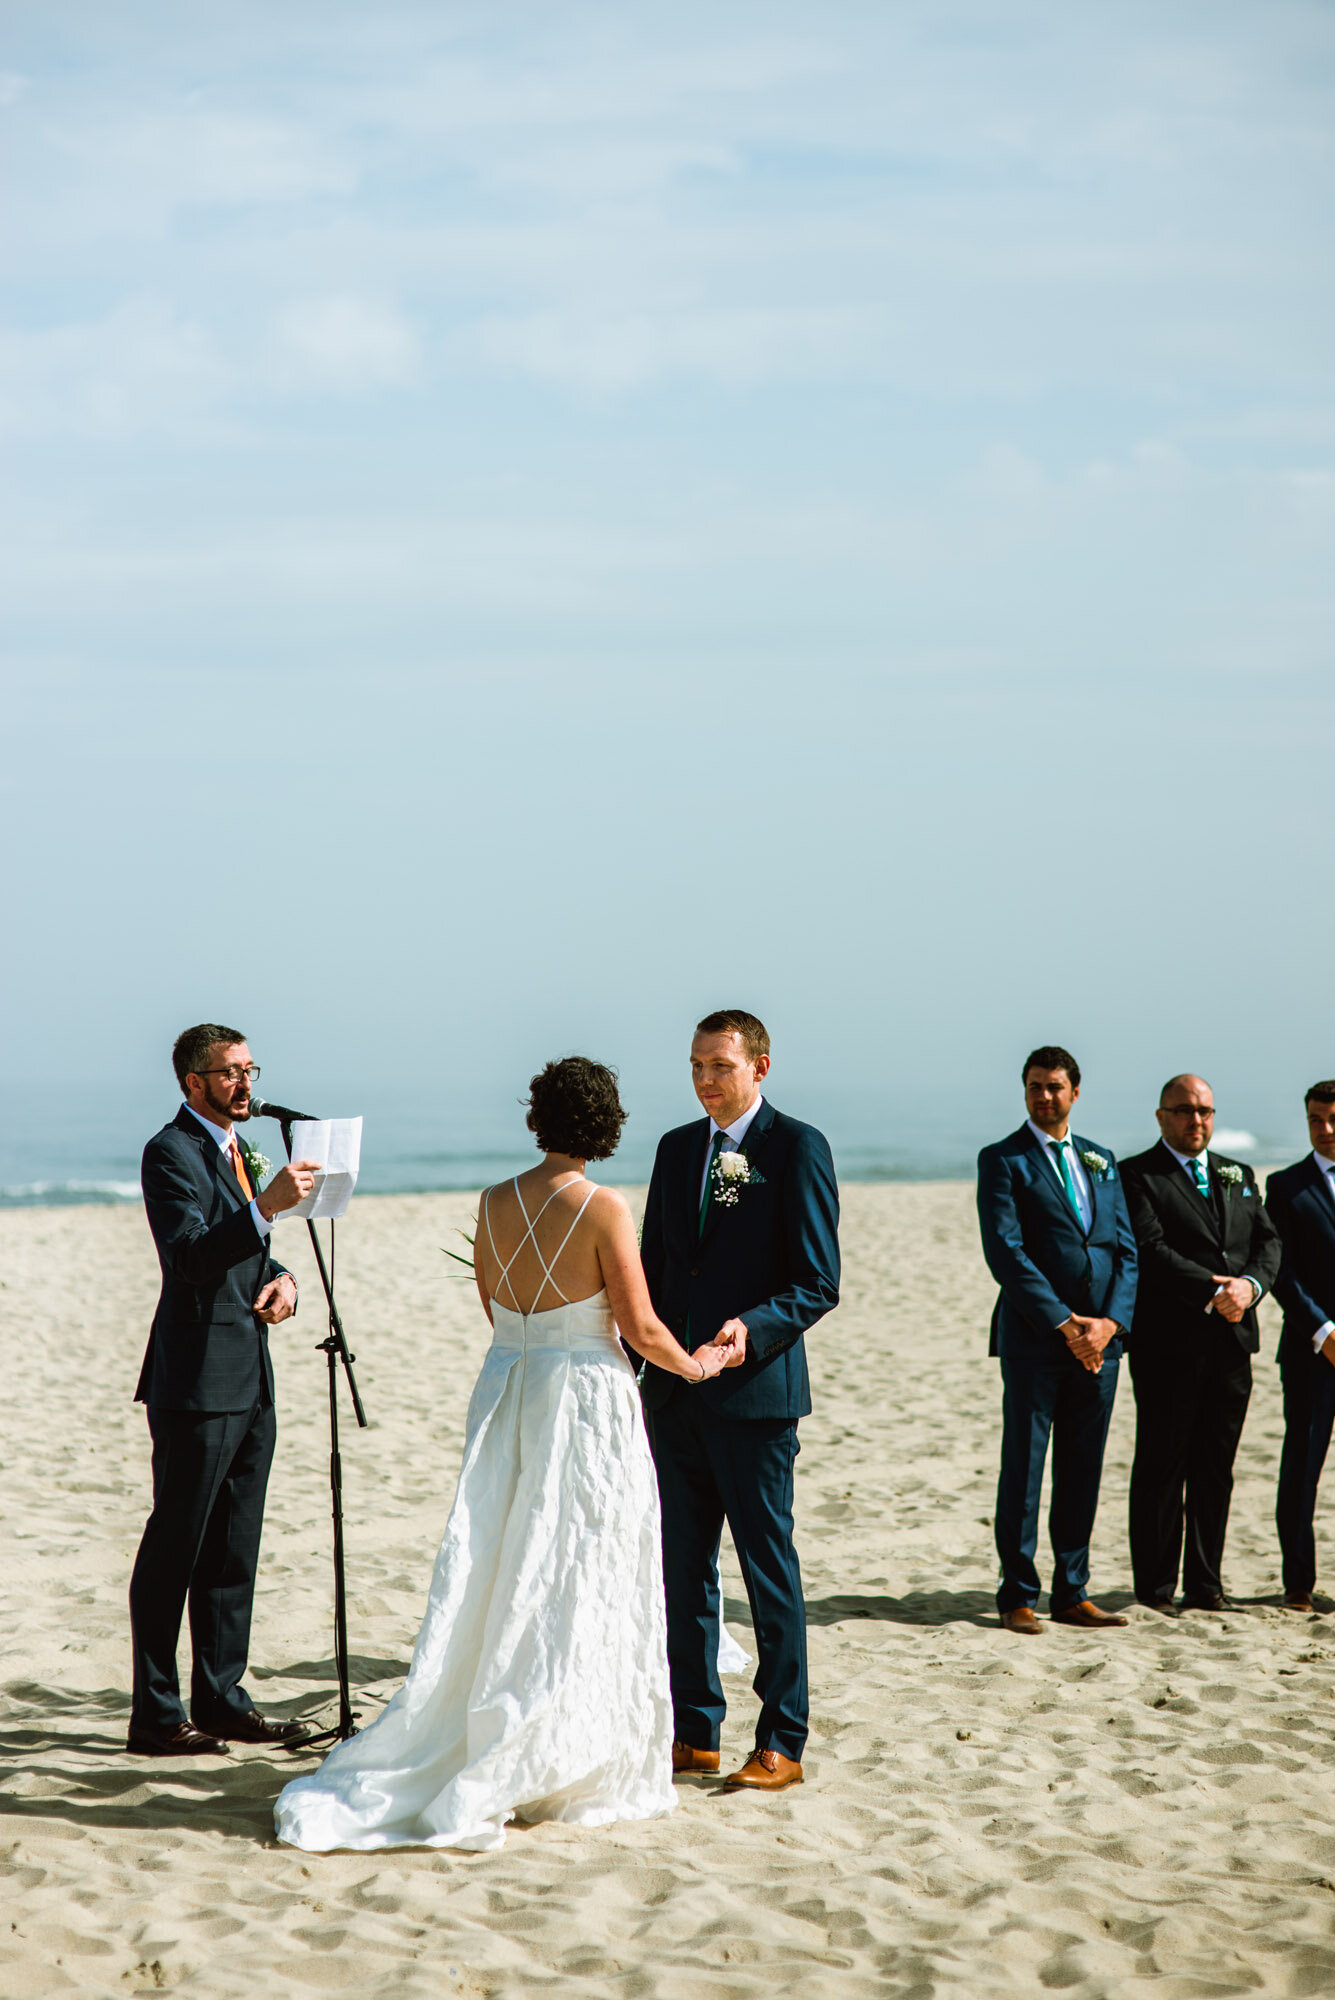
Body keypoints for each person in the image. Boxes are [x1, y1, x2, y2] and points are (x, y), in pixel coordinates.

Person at [275, 1057, 736, 1853]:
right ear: (605, 1124)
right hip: (582, 1396)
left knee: (504, 1557)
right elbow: (638, 1325)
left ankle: (505, 1718)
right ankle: (560, 1743)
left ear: (538, 1116)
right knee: (578, 1560)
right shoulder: (602, 1206)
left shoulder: (492, 1202)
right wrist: (697, 1365)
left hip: (509, 1386)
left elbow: (496, 1307)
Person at [639, 1009, 840, 1794]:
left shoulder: (796, 1147)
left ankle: (781, 1741)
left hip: (755, 1397)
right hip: (674, 1395)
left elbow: (816, 1281)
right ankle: (696, 1734)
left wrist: (746, 1333)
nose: (704, 1081)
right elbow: (658, 1266)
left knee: (766, 1571)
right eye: (695, 1066)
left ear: (760, 1066)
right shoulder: (676, 1148)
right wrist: (641, 1354)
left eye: (719, 1066)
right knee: (684, 1570)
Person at [128, 1024, 322, 1756]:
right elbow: (188, 1258)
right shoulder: (170, 1152)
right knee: (175, 1545)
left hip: (252, 1370)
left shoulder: (241, 1151)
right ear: (192, 1083)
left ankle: (221, 1699)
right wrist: (266, 1207)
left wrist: (284, 1281)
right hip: (196, 1378)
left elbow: (251, 1253)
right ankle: (154, 1714)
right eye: (230, 1072)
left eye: (249, 1069)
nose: (245, 1083)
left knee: (234, 1549)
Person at [977, 1045, 1137, 1635]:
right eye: (1035, 1086)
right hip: (1035, 1341)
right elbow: (1007, 1254)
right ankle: (1017, 1592)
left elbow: (1124, 1249)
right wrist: (1068, 1325)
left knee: (1083, 1467)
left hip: (1102, 1344)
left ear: (1075, 1092)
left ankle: (1072, 1591)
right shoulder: (1003, 1159)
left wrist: (1109, 1325)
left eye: (1055, 1086)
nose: (1044, 1096)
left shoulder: (1101, 1159)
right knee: (1024, 1468)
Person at [1121, 1075, 1280, 1614]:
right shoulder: (1138, 1175)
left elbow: (1268, 1241)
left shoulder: (1238, 1173)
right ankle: (1156, 1587)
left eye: (1206, 1111)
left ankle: (1206, 1586)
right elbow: (1151, 1249)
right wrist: (1218, 1291)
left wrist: (1251, 1287)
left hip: (1233, 1344)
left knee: (1216, 1467)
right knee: (1163, 1466)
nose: (1198, 1121)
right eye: (1186, 1111)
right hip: (1169, 1345)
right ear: (1162, 1115)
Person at [1266, 1080, 1335, 1613]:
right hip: (1312, 1353)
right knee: (1301, 1470)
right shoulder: (1285, 1187)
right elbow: (1281, 1272)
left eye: (1334, 1119)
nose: (1326, 1129)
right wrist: (1324, 1331)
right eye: (1316, 1120)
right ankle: (1298, 1585)